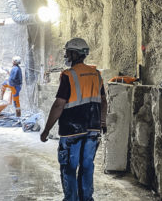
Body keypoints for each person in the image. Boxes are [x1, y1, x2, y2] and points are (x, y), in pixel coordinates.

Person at [40, 38, 108, 201]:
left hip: (71, 131)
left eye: (68, 52)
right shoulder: (96, 74)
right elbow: (104, 101)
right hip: (92, 130)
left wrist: (47, 130)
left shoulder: (68, 75)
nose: (66, 55)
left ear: (74, 54)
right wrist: (103, 122)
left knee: (69, 168)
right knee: (87, 167)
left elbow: (59, 105)